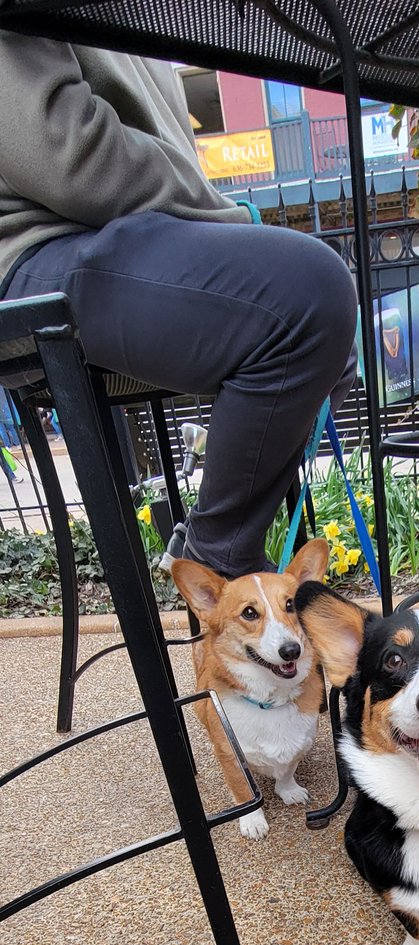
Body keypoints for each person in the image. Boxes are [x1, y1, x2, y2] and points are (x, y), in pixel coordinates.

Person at [0, 34, 358, 577]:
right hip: (28, 254)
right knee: (308, 297)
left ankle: (224, 559)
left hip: (120, 244)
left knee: (331, 343)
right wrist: (219, 212)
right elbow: (64, 154)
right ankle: (217, 560)